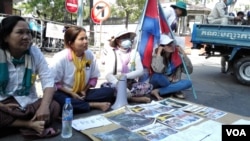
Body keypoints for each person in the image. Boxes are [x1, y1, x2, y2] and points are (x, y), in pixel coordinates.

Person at [0, 16, 60, 139]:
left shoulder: (34, 52)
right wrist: (1, 106)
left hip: (28, 103)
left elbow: (48, 80)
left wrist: (43, 107)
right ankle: (29, 124)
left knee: (54, 106)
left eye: (28, 33)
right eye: (20, 32)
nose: (26, 37)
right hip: (4, 104)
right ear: (6, 37)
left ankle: (13, 125)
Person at [50, 26, 115, 113]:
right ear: (71, 43)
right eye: (81, 39)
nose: (86, 41)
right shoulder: (60, 58)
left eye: (86, 38)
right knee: (58, 98)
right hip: (66, 93)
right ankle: (92, 105)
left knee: (109, 91)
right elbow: (55, 83)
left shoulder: (89, 55)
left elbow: (93, 78)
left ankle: (78, 104)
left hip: (83, 92)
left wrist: (84, 90)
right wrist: (71, 93)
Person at [102, 31, 153, 103]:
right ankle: (133, 98)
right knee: (105, 88)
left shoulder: (134, 53)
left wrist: (124, 76)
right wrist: (120, 85)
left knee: (148, 87)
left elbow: (140, 71)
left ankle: (126, 96)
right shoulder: (112, 53)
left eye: (128, 37)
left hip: (130, 82)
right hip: (115, 82)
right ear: (118, 41)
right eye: (124, 38)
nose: (127, 39)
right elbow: (108, 75)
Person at [149, 34, 193, 100]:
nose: (171, 46)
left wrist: (184, 54)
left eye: (172, 43)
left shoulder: (177, 57)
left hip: (172, 81)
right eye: (168, 44)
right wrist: (159, 53)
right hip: (161, 81)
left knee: (188, 83)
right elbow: (158, 70)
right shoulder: (156, 56)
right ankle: (174, 90)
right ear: (162, 47)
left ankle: (159, 91)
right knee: (157, 76)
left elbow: (189, 71)